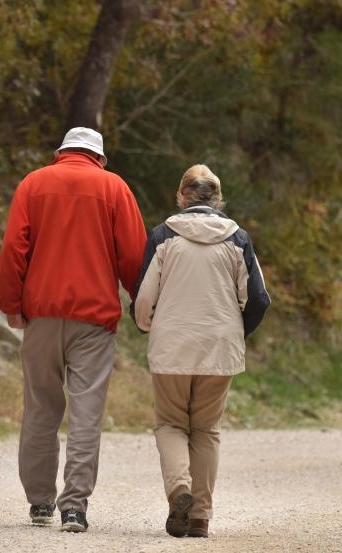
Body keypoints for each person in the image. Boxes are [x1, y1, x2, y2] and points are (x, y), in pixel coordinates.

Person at [0, 127, 147, 532]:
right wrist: (141, 302)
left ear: (61, 152)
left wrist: (11, 305)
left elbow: (13, 248)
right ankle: (74, 507)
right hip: (94, 322)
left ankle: (40, 502)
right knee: (86, 413)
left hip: (41, 318)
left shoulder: (34, 183)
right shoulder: (114, 188)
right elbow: (133, 254)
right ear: (99, 157)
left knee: (41, 408)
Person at [131, 164, 270, 538]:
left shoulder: (163, 235)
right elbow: (257, 299)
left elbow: (144, 296)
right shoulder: (238, 239)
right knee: (206, 429)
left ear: (181, 197)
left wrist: (146, 324)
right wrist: (235, 334)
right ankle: (200, 518)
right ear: (219, 199)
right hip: (219, 348)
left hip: (172, 346)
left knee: (171, 423)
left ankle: (180, 489)